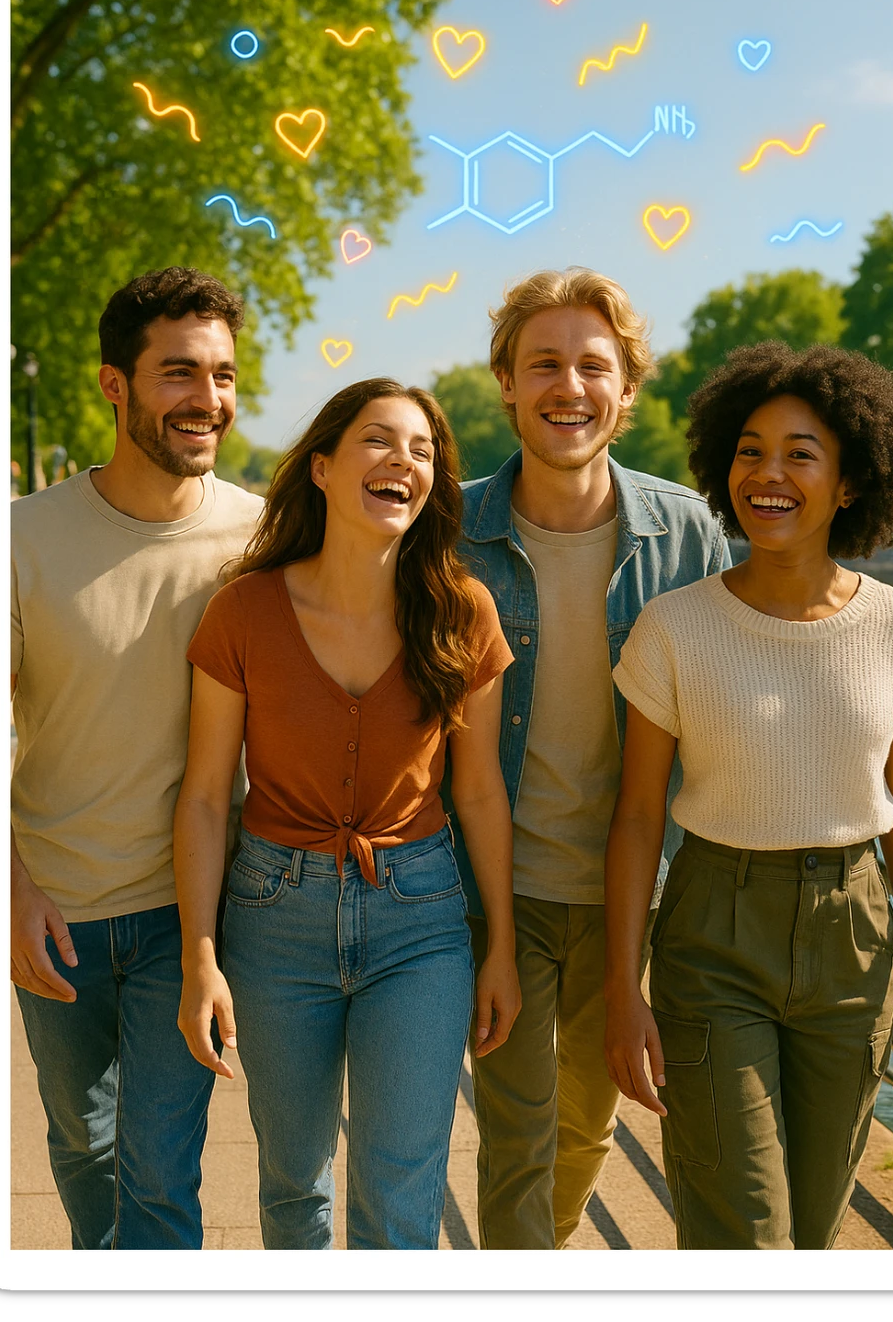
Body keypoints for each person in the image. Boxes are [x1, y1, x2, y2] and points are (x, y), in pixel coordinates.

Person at [605, 341, 893, 1250]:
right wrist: (622, 985)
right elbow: (637, 817)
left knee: (817, 1225)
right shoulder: (673, 628)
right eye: (750, 449)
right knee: (739, 1229)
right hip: (714, 934)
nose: (769, 473)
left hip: (856, 940)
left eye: (801, 452)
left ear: (850, 482)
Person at [174, 377, 521, 1251]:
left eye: (422, 450)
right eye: (378, 440)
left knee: (401, 1190)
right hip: (271, 921)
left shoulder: (462, 612)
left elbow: (478, 793)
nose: (403, 460)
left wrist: (502, 948)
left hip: (422, 923)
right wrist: (200, 961)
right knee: (293, 1184)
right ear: (323, 468)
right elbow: (209, 796)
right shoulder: (242, 611)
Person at [447, 267, 730, 1250]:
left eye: (592, 366)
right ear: (507, 384)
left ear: (627, 386)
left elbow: (730, 697)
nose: (569, 386)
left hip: (635, 897)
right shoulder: (449, 532)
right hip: (500, 889)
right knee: (515, 1134)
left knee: (586, 1123)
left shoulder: (685, 528)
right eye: (544, 365)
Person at [10, 266, 264, 1250]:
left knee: (161, 1179)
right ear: (115, 386)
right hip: (55, 908)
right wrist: (9, 888)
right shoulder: (19, 539)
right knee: (82, 1148)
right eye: (179, 375)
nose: (208, 400)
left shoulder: (260, 535)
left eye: (223, 375)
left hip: (187, 915)